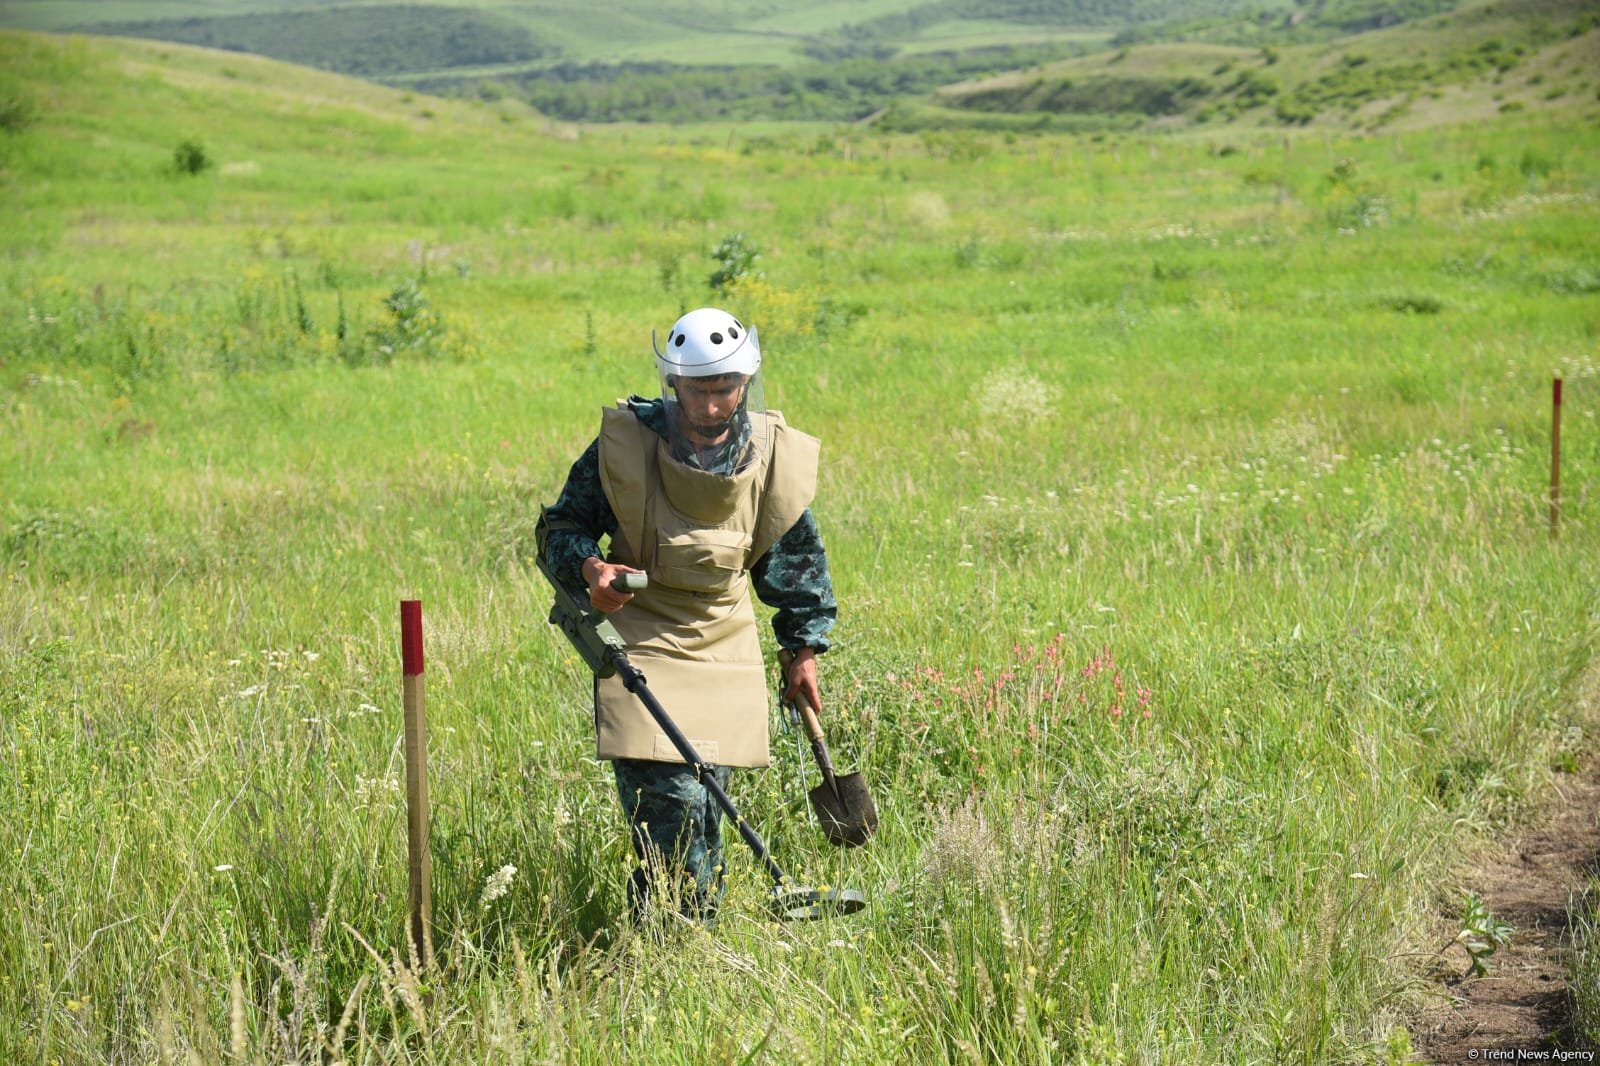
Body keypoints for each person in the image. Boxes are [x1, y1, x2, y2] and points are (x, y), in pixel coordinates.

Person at [538, 307, 837, 922]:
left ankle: (694, 937)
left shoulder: (769, 457)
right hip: (640, 634)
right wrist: (591, 571)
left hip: (722, 638)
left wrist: (801, 649)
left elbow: (791, 558)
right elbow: (559, 528)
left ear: (745, 382)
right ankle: (667, 937)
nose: (709, 405)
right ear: (674, 384)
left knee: (708, 799)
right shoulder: (624, 444)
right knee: (668, 803)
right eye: (697, 390)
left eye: (723, 388)